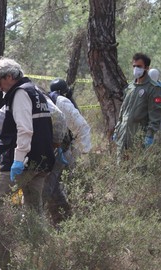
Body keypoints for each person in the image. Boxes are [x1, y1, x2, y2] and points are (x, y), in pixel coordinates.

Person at [0, 57, 55, 214]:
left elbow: (24, 129)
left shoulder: (20, 94)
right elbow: (2, 115)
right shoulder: (34, 90)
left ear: (9, 77)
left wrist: (18, 160)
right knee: (33, 210)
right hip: (42, 159)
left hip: (24, 161)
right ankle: (36, 237)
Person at [44, 78, 92, 224]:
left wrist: (80, 152)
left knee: (62, 186)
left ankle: (82, 217)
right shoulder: (48, 101)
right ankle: (64, 219)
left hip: (65, 152)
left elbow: (82, 127)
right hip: (56, 151)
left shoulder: (61, 103)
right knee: (56, 188)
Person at [113, 53, 161, 158]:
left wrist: (149, 135)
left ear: (146, 68)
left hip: (138, 136)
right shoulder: (130, 87)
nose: (136, 69)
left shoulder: (153, 88)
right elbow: (123, 111)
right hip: (123, 135)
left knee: (137, 169)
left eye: (139, 66)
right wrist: (117, 129)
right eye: (134, 66)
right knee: (121, 168)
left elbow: (155, 115)